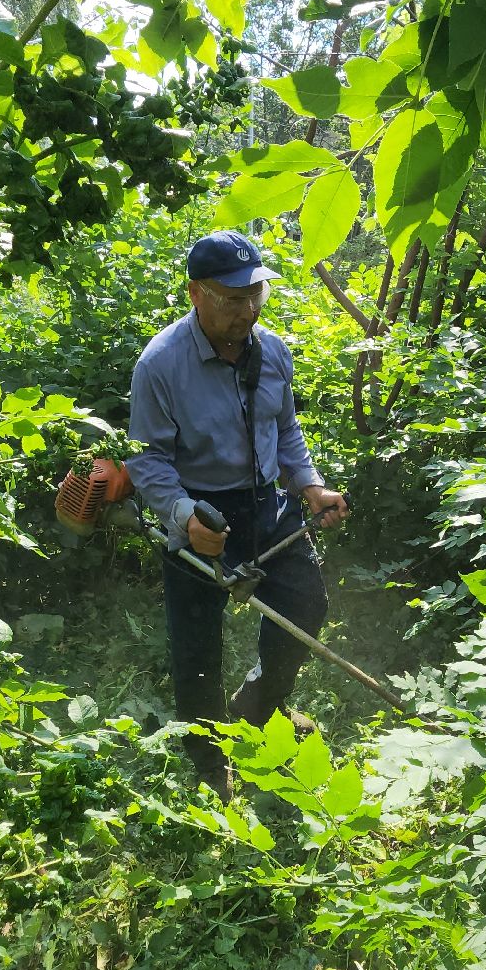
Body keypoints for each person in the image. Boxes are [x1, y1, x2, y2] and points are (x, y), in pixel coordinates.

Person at [125, 230, 349, 793]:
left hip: (266, 504)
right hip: (201, 511)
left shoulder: (272, 350)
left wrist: (310, 486)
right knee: (196, 642)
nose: (248, 309)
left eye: (256, 294)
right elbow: (148, 459)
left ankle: (258, 707)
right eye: (233, 298)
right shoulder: (160, 365)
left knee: (304, 608)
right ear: (197, 293)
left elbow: (285, 427)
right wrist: (183, 516)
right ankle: (208, 762)